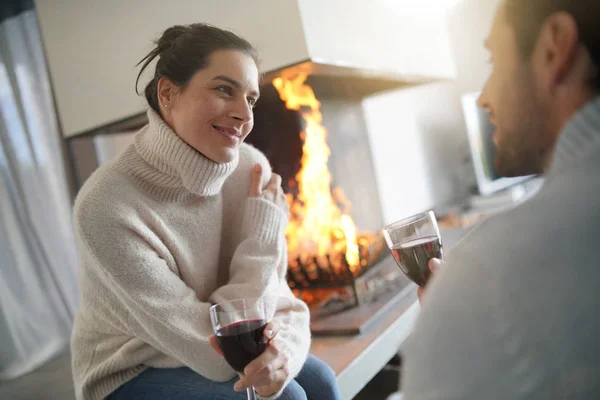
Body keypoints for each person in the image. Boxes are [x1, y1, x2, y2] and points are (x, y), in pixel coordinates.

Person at [70, 23, 341, 400]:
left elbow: (284, 304)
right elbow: (215, 353)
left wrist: (285, 355)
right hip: (132, 370)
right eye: (223, 89)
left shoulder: (250, 168)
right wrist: (261, 239)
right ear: (167, 93)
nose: (243, 115)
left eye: (250, 99)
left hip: (223, 335)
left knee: (320, 382)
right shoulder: (106, 206)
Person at [404, 0, 600, 399]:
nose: (483, 98)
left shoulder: (486, 278)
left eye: (493, 61)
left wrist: (460, 318)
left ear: (553, 48)